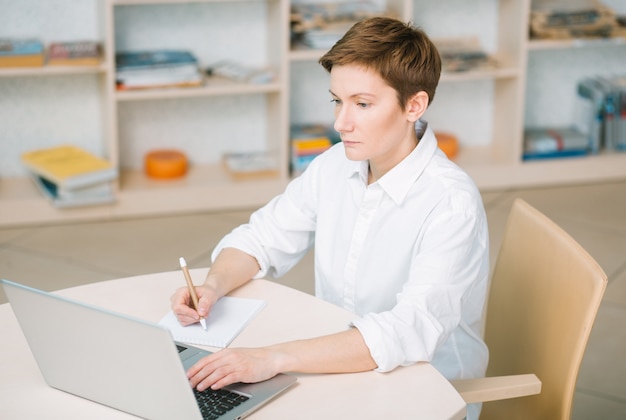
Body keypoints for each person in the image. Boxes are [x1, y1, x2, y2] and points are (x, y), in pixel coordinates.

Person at [172, 16, 489, 419]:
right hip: (345, 368)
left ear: (414, 105)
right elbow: (263, 236)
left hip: (427, 389)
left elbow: (406, 332)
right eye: (337, 100)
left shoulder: (450, 203)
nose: (341, 123)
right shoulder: (335, 165)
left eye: (363, 104)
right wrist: (212, 287)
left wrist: (273, 358)